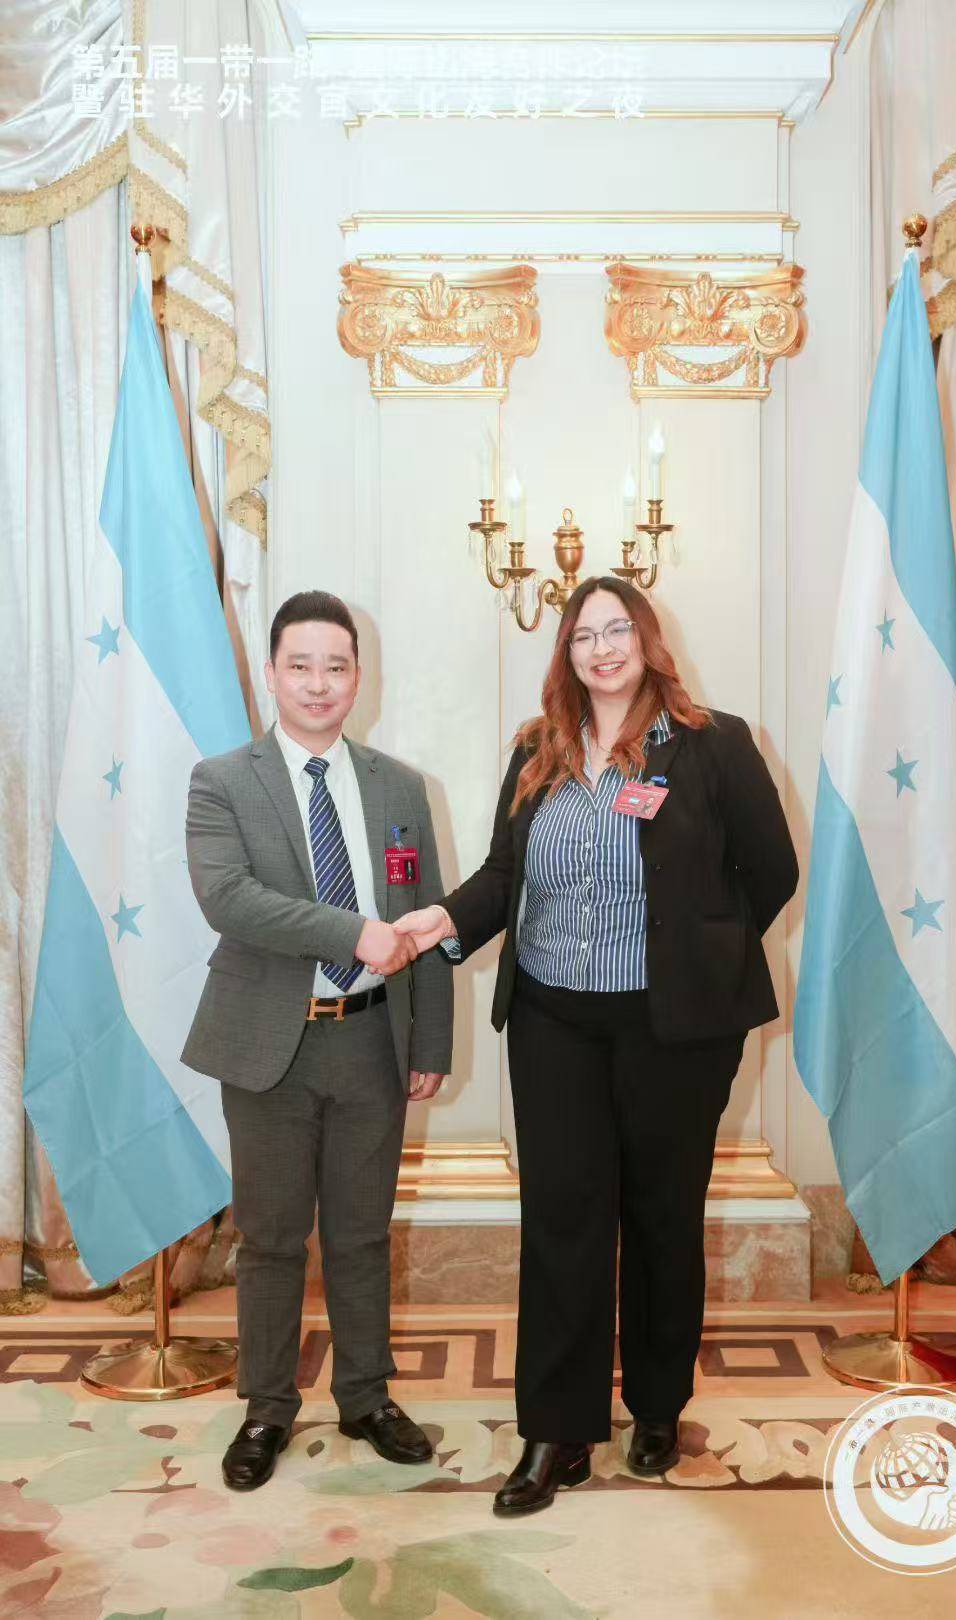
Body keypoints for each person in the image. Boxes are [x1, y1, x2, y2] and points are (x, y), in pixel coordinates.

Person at [395, 575, 797, 1515]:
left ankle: (656, 1406)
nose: (602, 649)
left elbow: (772, 869)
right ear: (566, 653)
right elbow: (504, 874)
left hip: (672, 1029)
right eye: (584, 635)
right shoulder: (538, 749)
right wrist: (441, 922)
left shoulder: (712, 743)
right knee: (562, 1222)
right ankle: (557, 1430)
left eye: (618, 630)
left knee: (662, 1216)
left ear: (648, 640)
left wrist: (702, 954)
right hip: (553, 1022)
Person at [183, 590, 452, 1491]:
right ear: (272, 674)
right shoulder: (223, 780)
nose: (318, 683)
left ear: (357, 677)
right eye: (299, 665)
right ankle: (266, 1408)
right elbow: (230, 900)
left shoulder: (400, 787)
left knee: (362, 1235)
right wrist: (351, 933)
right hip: (270, 1046)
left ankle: (366, 1398)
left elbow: (428, 921)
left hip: (372, 1044)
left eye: (336, 666)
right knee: (269, 1240)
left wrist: (432, 1042)